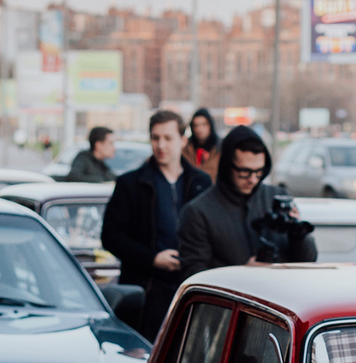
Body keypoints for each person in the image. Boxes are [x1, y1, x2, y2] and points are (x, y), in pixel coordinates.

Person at [101, 108, 210, 332]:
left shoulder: (201, 183)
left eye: (168, 138)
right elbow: (111, 237)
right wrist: (152, 258)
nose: (161, 145)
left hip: (193, 290)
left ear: (182, 140)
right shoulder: (130, 184)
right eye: (155, 138)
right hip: (146, 291)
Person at [178, 126, 316, 277]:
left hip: (280, 295)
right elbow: (194, 275)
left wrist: (299, 236)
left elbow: (308, 260)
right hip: (230, 300)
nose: (253, 179)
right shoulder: (198, 212)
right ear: (227, 166)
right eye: (244, 172)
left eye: (259, 171)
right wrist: (242, 274)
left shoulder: (277, 197)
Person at [184, 108, 220, 177]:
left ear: (210, 125)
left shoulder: (220, 148)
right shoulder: (185, 147)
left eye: (203, 124)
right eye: (196, 125)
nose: (199, 129)